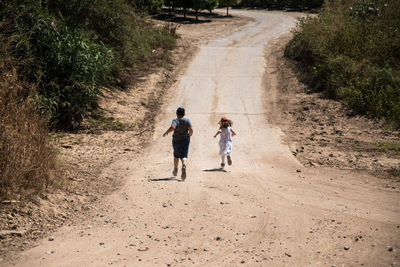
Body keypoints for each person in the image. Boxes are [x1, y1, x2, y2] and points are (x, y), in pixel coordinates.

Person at [163, 107, 193, 180]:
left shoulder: (175, 120)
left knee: (176, 155)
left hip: (176, 139)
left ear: (176, 114)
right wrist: (190, 135)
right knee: (184, 154)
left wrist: (167, 132)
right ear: (184, 114)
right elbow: (191, 130)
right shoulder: (187, 120)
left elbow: (173, 127)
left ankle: (175, 169)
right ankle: (184, 165)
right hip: (185, 139)